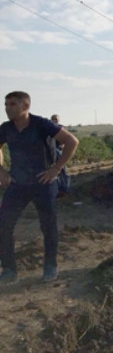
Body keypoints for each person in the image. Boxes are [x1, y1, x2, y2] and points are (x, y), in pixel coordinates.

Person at [0, 91, 79, 284]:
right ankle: (9, 270)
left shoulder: (41, 124)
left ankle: (50, 267)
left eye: (12, 104)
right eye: (6, 104)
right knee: (3, 225)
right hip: (17, 183)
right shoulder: (6, 128)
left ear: (25, 107)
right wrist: (1, 171)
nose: (7, 108)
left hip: (43, 183)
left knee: (48, 226)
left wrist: (56, 168)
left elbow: (71, 141)